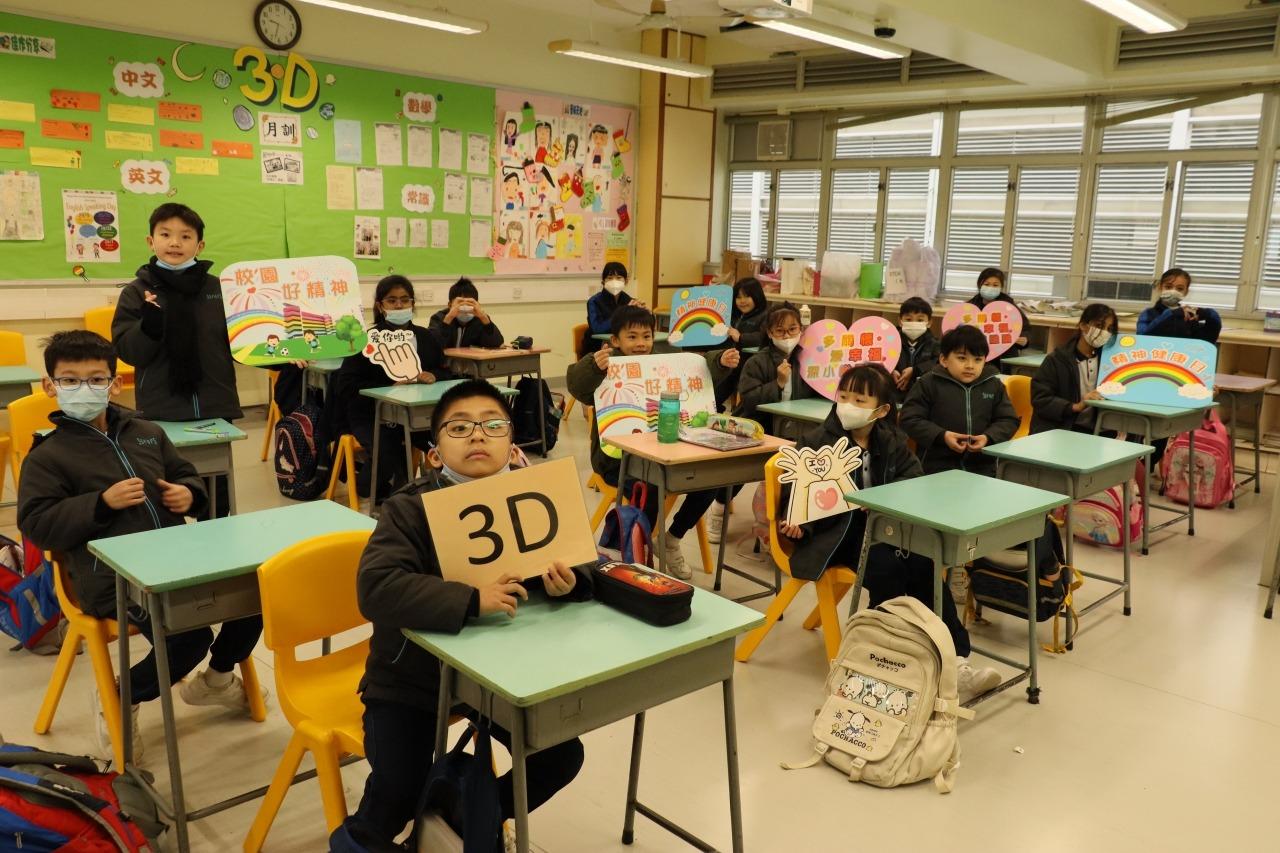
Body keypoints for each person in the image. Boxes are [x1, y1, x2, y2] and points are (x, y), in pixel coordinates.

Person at [339, 380, 588, 849]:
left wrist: (572, 581)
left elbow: (585, 559)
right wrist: (471, 600)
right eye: (459, 428)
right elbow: (377, 587)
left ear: (512, 445)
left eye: (493, 426)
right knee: (399, 788)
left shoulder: (534, 493)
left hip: (499, 676)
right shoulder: (408, 508)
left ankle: (467, 817)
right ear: (434, 455)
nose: (477, 435)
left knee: (560, 755)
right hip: (412, 680)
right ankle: (364, 838)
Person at [17, 331, 264, 763]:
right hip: (110, 577)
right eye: (70, 380)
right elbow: (37, 525)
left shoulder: (147, 432)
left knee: (255, 595)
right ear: (49, 386)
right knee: (189, 640)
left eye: (96, 379)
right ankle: (119, 696)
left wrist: (189, 494)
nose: (83, 389)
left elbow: (185, 474)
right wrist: (100, 504)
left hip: (176, 558)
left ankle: (217, 679)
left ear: (115, 384)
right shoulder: (48, 457)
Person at [779, 364, 1000, 701]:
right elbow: (798, 497)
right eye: (844, 396)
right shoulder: (815, 443)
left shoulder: (891, 439)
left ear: (881, 411)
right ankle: (892, 659)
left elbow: (914, 478)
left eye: (859, 400)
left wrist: (883, 500)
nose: (848, 405)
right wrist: (797, 525)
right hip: (837, 535)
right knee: (888, 569)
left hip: (887, 529)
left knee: (925, 564)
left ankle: (956, 662)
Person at [566, 304, 739, 578]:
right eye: (632, 337)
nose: (640, 343)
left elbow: (696, 368)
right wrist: (592, 367)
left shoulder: (660, 363)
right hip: (618, 460)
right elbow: (577, 386)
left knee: (710, 478)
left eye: (646, 336)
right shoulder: (606, 365)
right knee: (650, 485)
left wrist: (720, 361)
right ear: (615, 340)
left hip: (667, 452)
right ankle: (638, 556)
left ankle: (671, 538)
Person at [111, 202, 242, 519]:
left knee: (216, 498)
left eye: (185, 236)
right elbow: (128, 351)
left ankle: (217, 545)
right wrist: (148, 327)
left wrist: (282, 357)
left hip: (214, 405)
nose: (174, 243)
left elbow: (244, 341)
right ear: (150, 241)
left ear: (199, 245)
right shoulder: (136, 292)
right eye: (165, 234)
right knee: (166, 495)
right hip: (161, 410)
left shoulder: (221, 290)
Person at [327, 275, 452, 499]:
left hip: (417, 415)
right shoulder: (367, 340)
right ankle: (370, 488)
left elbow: (446, 371)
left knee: (448, 442)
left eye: (405, 300)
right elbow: (345, 384)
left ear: (412, 303)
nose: (399, 305)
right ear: (380, 306)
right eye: (392, 301)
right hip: (371, 415)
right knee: (385, 453)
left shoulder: (425, 337)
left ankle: (440, 492)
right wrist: (388, 386)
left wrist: (434, 375)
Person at [899, 325, 1019, 477]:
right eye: (962, 358)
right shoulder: (928, 383)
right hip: (935, 467)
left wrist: (988, 437)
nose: (970, 366)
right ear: (944, 360)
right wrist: (942, 435)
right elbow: (909, 419)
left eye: (978, 359)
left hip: (983, 467)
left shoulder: (994, 385)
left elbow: (1008, 420)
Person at [1030, 303, 1119, 435]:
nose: (1105, 332)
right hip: (1062, 428)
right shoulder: (1057, 360)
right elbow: (1040, 399)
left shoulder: (1109, 361)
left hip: (1098, 430)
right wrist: (1075, 406)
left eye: (1109, 329)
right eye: (1099, 326)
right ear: (1083, 325)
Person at [735, 302, 817, 435]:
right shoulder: (756, 362)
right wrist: (778, 384)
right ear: (769, 333)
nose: (787, 336)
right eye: (779, 331)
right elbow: (748, 400)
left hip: (797, 426)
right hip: (761, 428)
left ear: (801, 330)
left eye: (792, 329)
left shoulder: (808, 361)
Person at [713, 276, 769, 411]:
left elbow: (764, 337)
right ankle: (715, 409)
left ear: (757, 296)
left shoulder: (766, 315)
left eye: (747, 296)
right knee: (713, 391)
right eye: (738, 297)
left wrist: (741, 337)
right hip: (730, 362)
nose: (742, 301)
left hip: (748, 365)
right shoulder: (734, 315)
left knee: (736, 395)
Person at [1137, 267, 1221, 344]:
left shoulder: (1188, 316)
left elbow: (1207, 342)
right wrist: (1172, 313)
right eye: (1168, 287)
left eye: (1180, 288)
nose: (1173, 291)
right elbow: (1142, 338)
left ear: (1186, 292)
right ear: (1160, 287)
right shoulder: (1148, 313)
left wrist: (1210, 314)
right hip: (1156, 354)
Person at [967, 267, 1030, 364]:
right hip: (977, 353)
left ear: (1001, 287)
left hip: (1005, 354)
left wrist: (1024, 340)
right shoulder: (971, 306)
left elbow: (1024, 326)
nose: (990, 288)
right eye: (986, 284)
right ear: (979, 285)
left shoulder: (1009, 306)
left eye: (995, 285)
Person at [428, 277, 504, 350]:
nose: (465, 307)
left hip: (470, 359)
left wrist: (485, 319)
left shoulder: (480, 319)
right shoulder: (439, 318)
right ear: (450, 305)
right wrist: (448, 318)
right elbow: (431, 345)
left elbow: (497, 344)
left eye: (470, 303)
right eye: (460, 303)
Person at [582, 261, 637, 356]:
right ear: (603, 282)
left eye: (619, 278)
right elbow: (597, 329)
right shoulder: (594, 301)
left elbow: (637, 326)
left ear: (626, 281)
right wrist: (622, 314)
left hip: (623, 346)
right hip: (597, 348)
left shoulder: (629, 300)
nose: (614, 281)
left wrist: (646, 313)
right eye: (610, 278)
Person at [892, 296, 939, 398]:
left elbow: (938, 362)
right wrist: (890, 370)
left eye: (920, 320)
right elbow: (881, 360)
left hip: (923, 395)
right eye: (908, 319)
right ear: (900, 321)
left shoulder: (934, 344)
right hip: (895, 393)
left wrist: (915, 370)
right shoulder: (891, 341)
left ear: (929, 323)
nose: (914, 323)